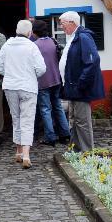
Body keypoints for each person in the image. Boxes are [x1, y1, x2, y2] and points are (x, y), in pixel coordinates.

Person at [0, 20, 46, 168]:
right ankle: (26, 156)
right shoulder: (32, 46)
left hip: (10, 86)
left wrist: (9, 73)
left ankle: (18, 152)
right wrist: (31, 74)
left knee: (16, 118)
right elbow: (41, 69)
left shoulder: (7, 45)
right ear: (30, 33)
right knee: (27, 121)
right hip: (28, 86)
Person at [58, 11, 105, 152]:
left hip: (79, 88)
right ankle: (75, 150)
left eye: (62, 23)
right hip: (72, 88)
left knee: (82, 121)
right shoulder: (73, 37)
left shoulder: (83, 37)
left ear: (72, 22)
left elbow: (93, 61)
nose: (61, 27)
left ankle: (86, 153)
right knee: (74, 120)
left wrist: (81, 84)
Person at [32, 19, 71, 147]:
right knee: (57, 106)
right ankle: (65, 134)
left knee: (45, 109)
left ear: (34, 32)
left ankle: (50, 136)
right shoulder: (53, 41)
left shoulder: (34, 45)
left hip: (42, 81)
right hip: (56, 79)